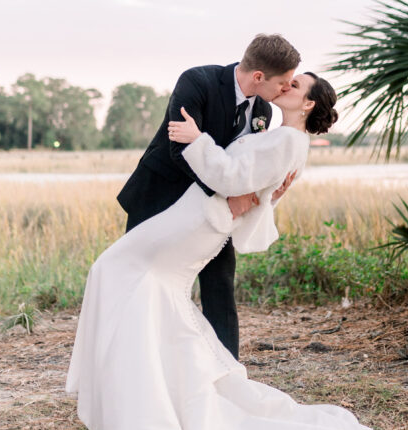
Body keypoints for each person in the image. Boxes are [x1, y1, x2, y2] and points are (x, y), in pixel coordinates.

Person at [66, 71, 372, 430]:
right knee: (136, 283)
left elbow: (230, 178)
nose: (286, 87)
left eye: (295, 86)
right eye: (286, 81)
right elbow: (252, 179)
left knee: (127, 275)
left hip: (206, 217)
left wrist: (196, 139)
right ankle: (145, 389)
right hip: (200, 212)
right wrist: (263, 193)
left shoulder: (287, 139)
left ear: (308, 106)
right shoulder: (283, 135)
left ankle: (150, 399)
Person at [116, 33, 301, 359]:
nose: (286, 89)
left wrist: (264, 193)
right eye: (283, 83)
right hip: (161, 197)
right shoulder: (197, 81)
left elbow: (246, 166)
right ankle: (132, 359)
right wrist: (225, 195)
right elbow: (180, 149)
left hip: (217, 212)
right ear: (258, 77)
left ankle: (227, 368)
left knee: (219, 282)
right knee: (141, 278)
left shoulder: (263, 111)